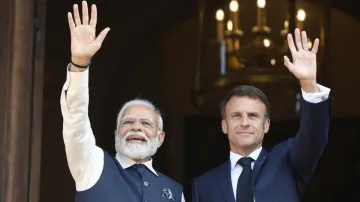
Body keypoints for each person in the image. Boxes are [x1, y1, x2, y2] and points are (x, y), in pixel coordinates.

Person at [60, 1, 185, 201]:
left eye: (146, 123)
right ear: (117, 134)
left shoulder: (175, 192)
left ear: (160, 138)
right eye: (128, 122)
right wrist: (80, 64)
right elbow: (76, 118)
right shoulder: (92, 164)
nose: (136, 127)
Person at [191, 28, 331, 202]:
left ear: (266, 125)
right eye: (236, 116)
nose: (244, 122)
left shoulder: (288, 162)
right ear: (224, 126)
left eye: (253, 116)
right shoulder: (203, 185)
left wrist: (309, 84)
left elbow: (314, 136)